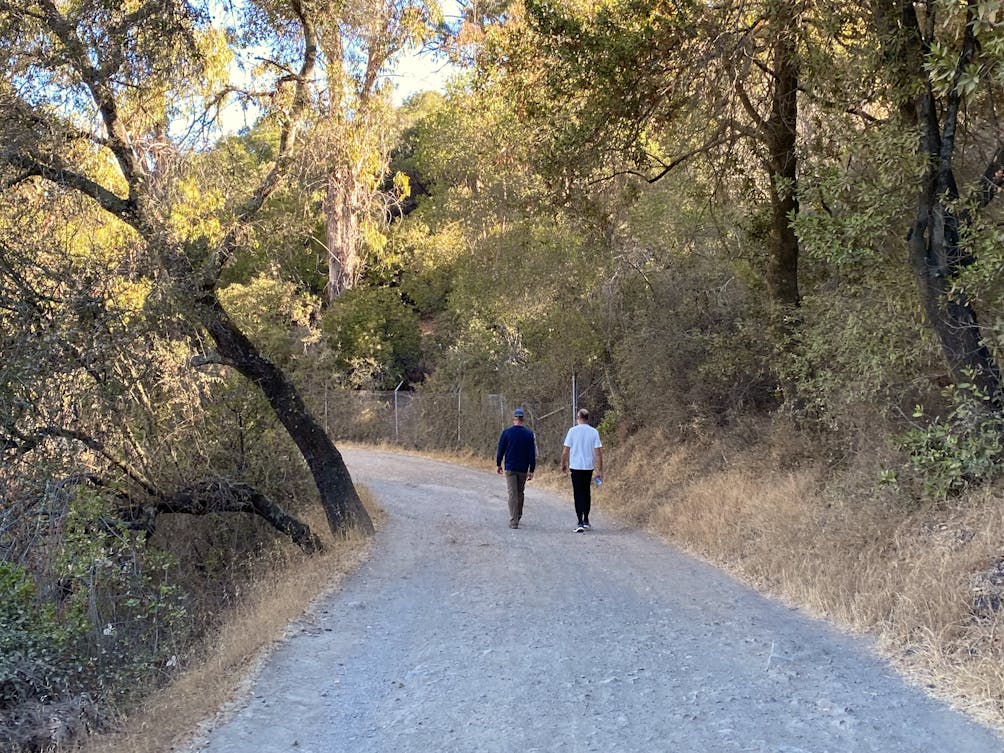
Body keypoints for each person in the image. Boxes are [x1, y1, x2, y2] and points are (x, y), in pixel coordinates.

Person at [561, 408, 603, 533]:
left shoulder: (572, 431)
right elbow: (598, 453)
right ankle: (586, 520)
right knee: (586, 493)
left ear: (578, 418)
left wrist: (563, 464)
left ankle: (579, 521)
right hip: (588, 467)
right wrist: (600, 470)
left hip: (575, 467)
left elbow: (565, 450)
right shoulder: (594, 432)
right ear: (588, 418)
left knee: (577, 494)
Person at [496, 408, 536, 529]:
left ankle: (514, 521)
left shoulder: (506, 433)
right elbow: (532, 454)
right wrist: (532, 469)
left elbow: (500, 450)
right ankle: (518, 515)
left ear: (514, 419)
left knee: (512, 493)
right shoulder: (529, 434)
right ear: (523, 420)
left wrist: (498, 464)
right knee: (520, 492)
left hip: (510, 467)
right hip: (523, 468)